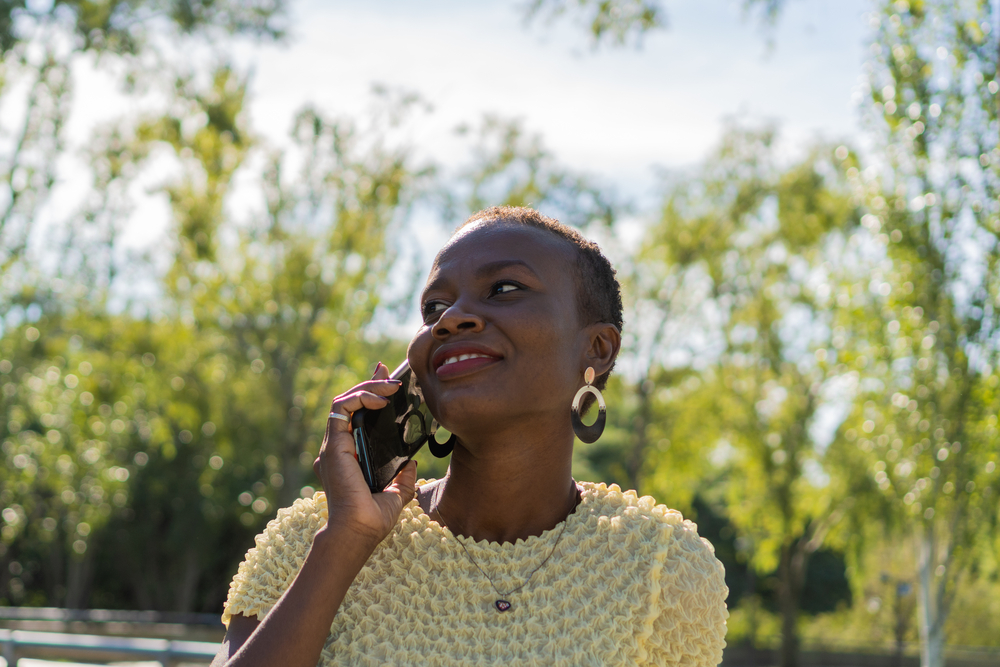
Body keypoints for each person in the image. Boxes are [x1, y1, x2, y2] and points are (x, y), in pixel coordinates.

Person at [211, 206, 728, 667]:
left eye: (504, 289)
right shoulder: (309, 541)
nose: (451, 319)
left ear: (596, 348)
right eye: (434, 309)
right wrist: (344, 542)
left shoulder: (663, 568)